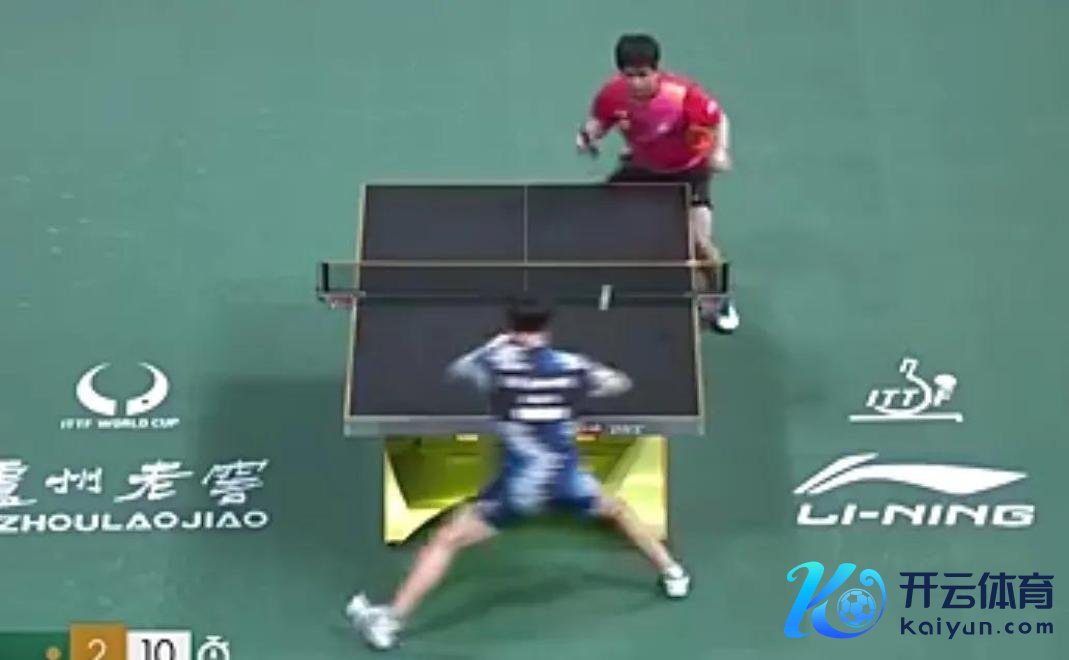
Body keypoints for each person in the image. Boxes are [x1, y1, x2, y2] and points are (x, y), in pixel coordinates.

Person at [346, 296, 691, 651]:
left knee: (447, 539)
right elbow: (618, 383)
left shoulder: (495, 363)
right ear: (548, 326)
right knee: (616, 509)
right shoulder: (571, 366)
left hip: (520, 489)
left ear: (510, 325)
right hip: (567, 478)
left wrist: (495, 345)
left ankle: (391, 621)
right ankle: (673, 573)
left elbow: (458, 370)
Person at [577, 33, 739, 334]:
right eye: (629, 75)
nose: (636, 82)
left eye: (643, 75)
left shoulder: (683, 96)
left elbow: (718, 119)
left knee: (699, 244)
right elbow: (599, 120)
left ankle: (718, 298)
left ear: (656, 71)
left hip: (688, 171)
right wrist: (588, 136)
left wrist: (720, 151)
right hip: (643, 167)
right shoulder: (612, 94)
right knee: (597, 211)